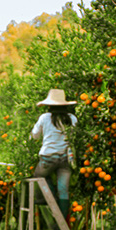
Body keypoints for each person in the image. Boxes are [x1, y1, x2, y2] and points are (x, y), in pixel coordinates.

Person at [30, 88, 77, 219]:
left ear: (49, 105)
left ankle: (50, 198)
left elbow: (35, 136)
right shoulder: (72, 118)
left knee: (39, 177)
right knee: (64, 190)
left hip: (48, 158)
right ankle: (61, 220)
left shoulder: (45, 118)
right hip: (66, 159)